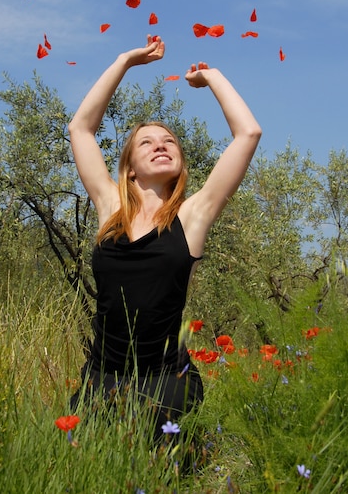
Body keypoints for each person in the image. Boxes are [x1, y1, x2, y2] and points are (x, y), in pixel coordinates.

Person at [68, 35, 262, 439]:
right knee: (83, 461)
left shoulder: (193, 216)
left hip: (165, 381)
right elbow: (81, 129)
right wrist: (124, 60)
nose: (161, 145)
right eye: (147, 142)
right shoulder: (109, 208)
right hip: (102, 377)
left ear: (179, 164)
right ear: (131, 168)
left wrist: (211, 76)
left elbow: (248, 133)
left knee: (153, 457)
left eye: (169, 141)